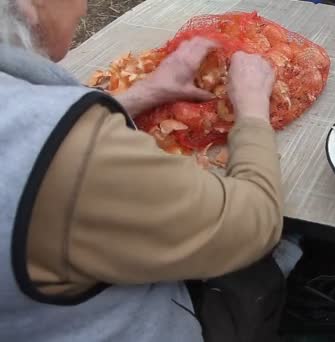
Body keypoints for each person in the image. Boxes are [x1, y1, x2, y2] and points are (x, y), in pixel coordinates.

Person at [0, 0, 292, 341]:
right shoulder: (71, 155)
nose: (85, 6)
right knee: (268, 261)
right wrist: (252, 109)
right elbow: (254, 223)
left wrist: (146, 92)